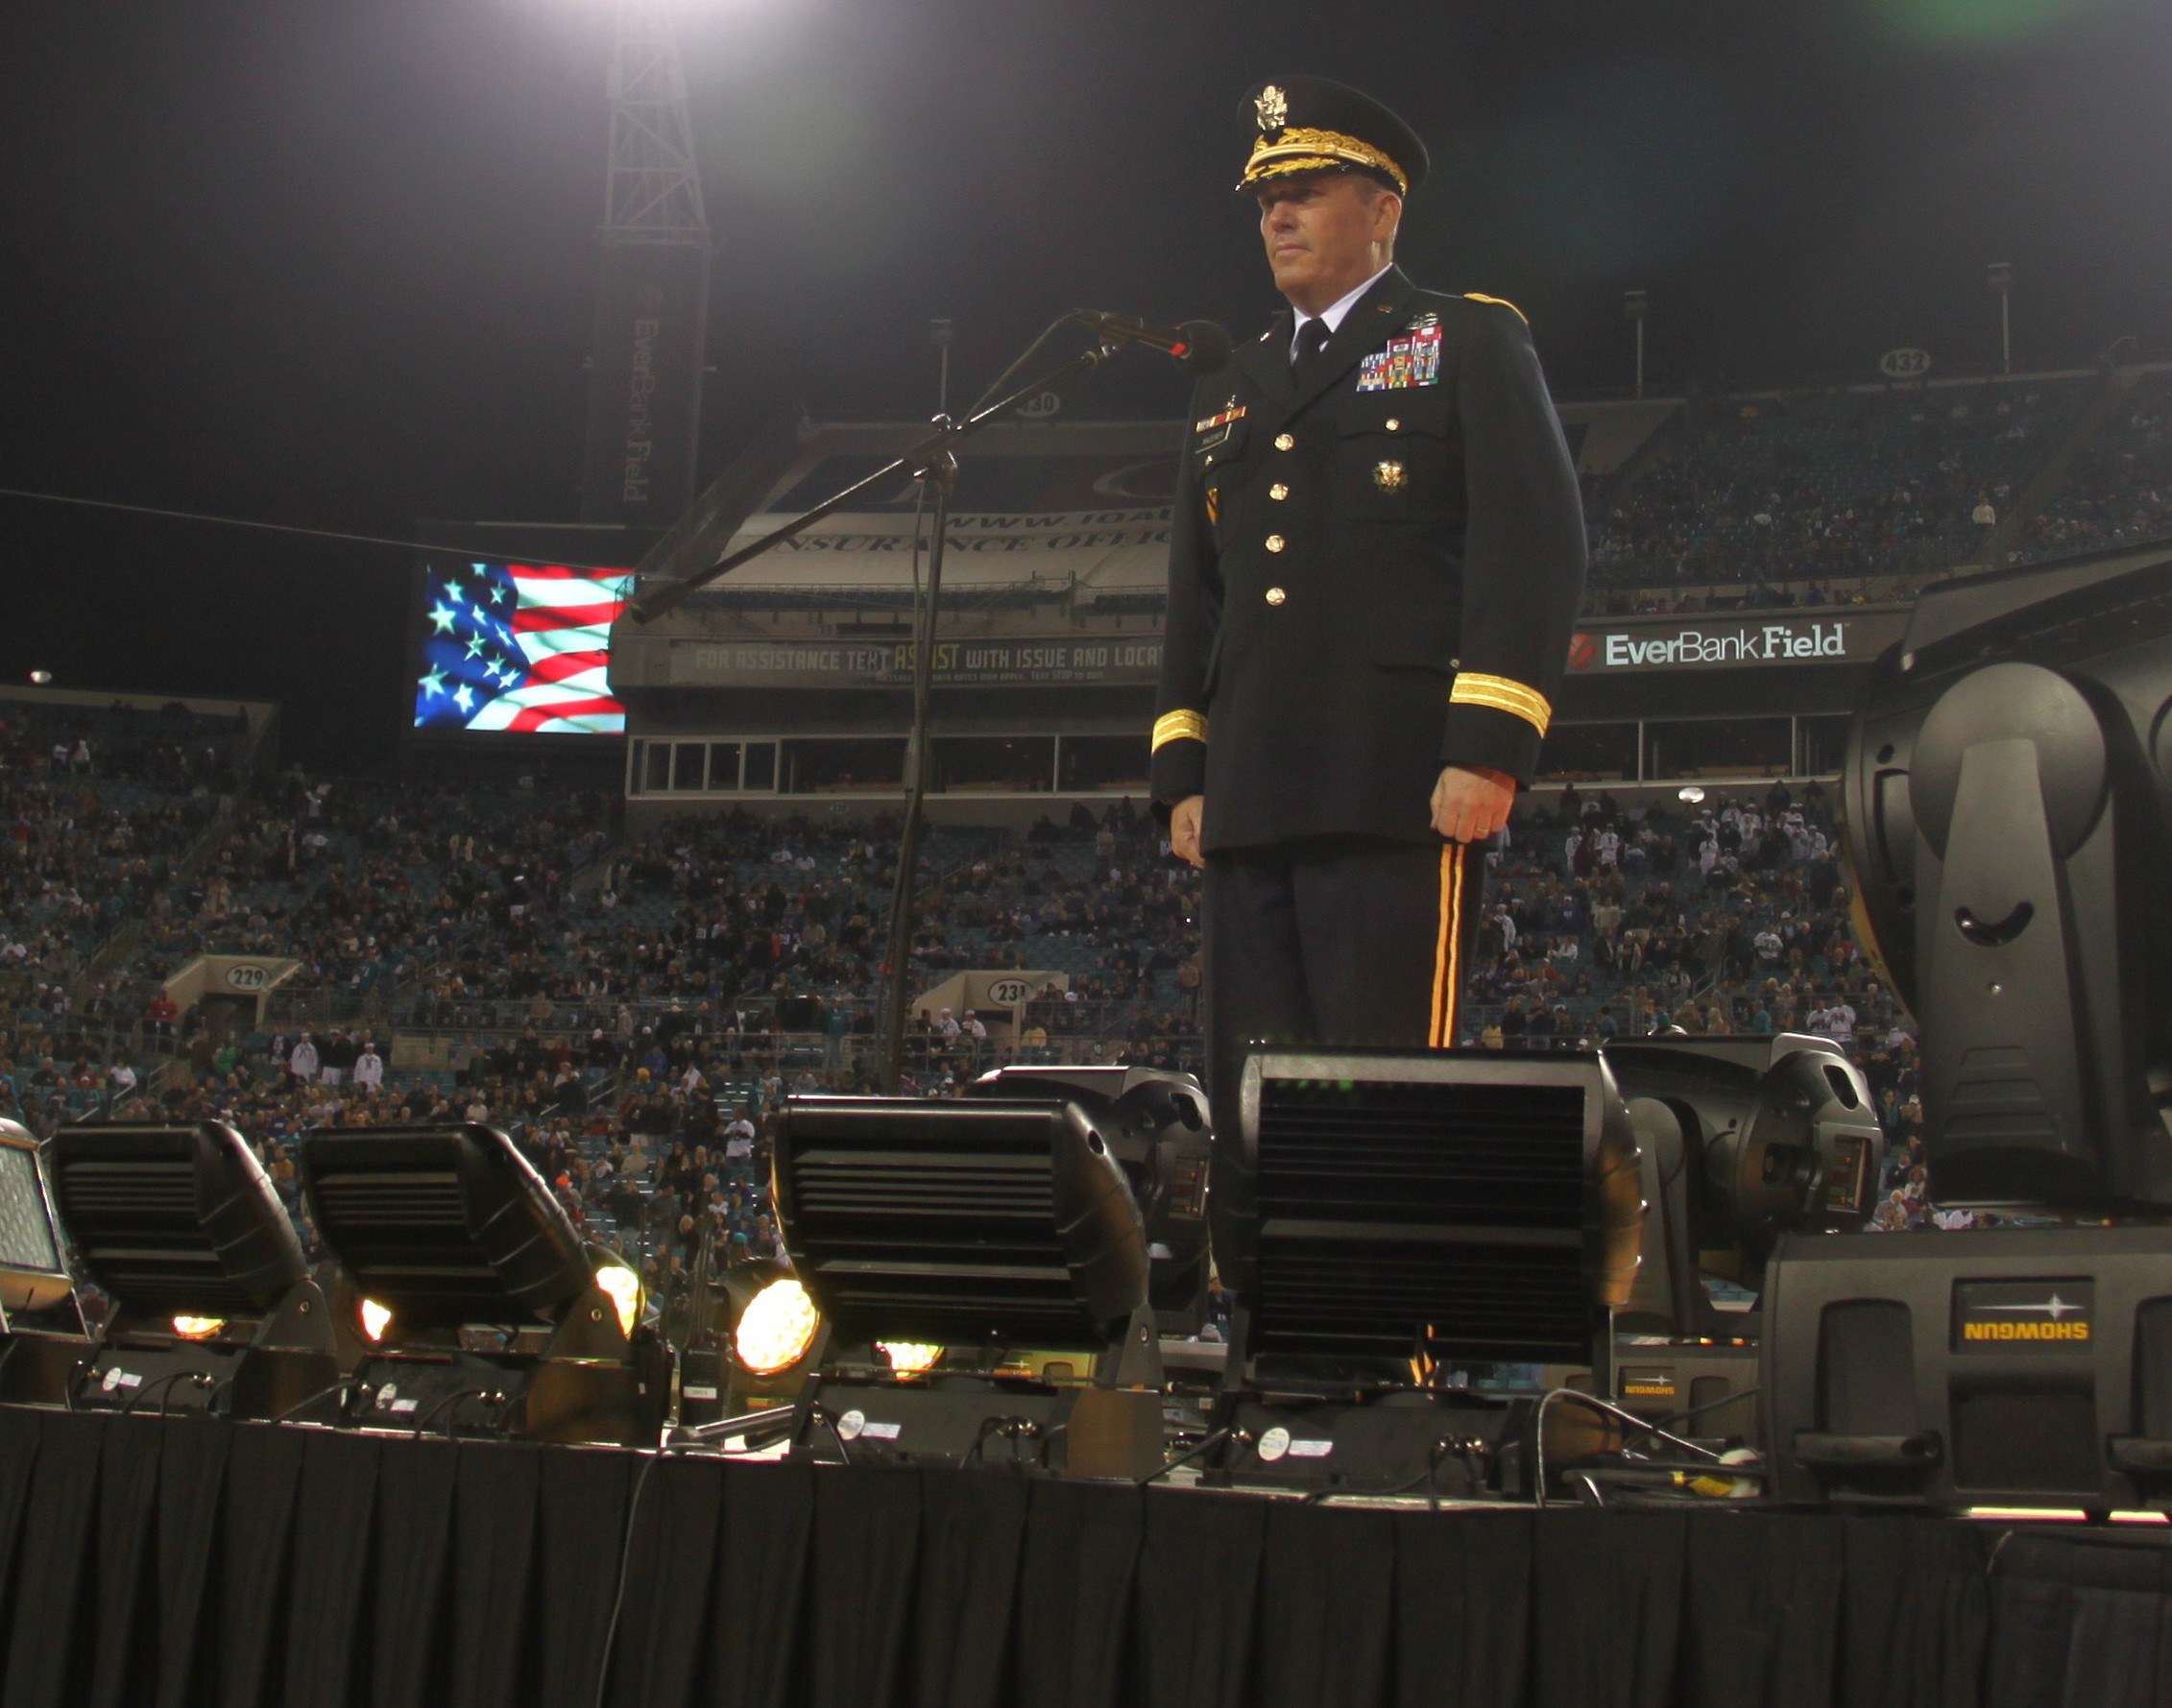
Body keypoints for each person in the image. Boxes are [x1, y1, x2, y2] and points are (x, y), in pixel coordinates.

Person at [1150, 76, 1585, 1128]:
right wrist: (1183, 769)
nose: (1279, 217)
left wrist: (1485, 745)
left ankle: (1386, 1302)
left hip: (1394, 787)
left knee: (1382, 1108)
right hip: (1249, 797)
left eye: (1305, 191)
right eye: (1266, 202)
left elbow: (1532, 545)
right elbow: (1194, 593)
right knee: (1256, 1115)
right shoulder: (1231, 385)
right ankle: (1258, 1300)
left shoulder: (1467, 341)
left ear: (1384, 210)